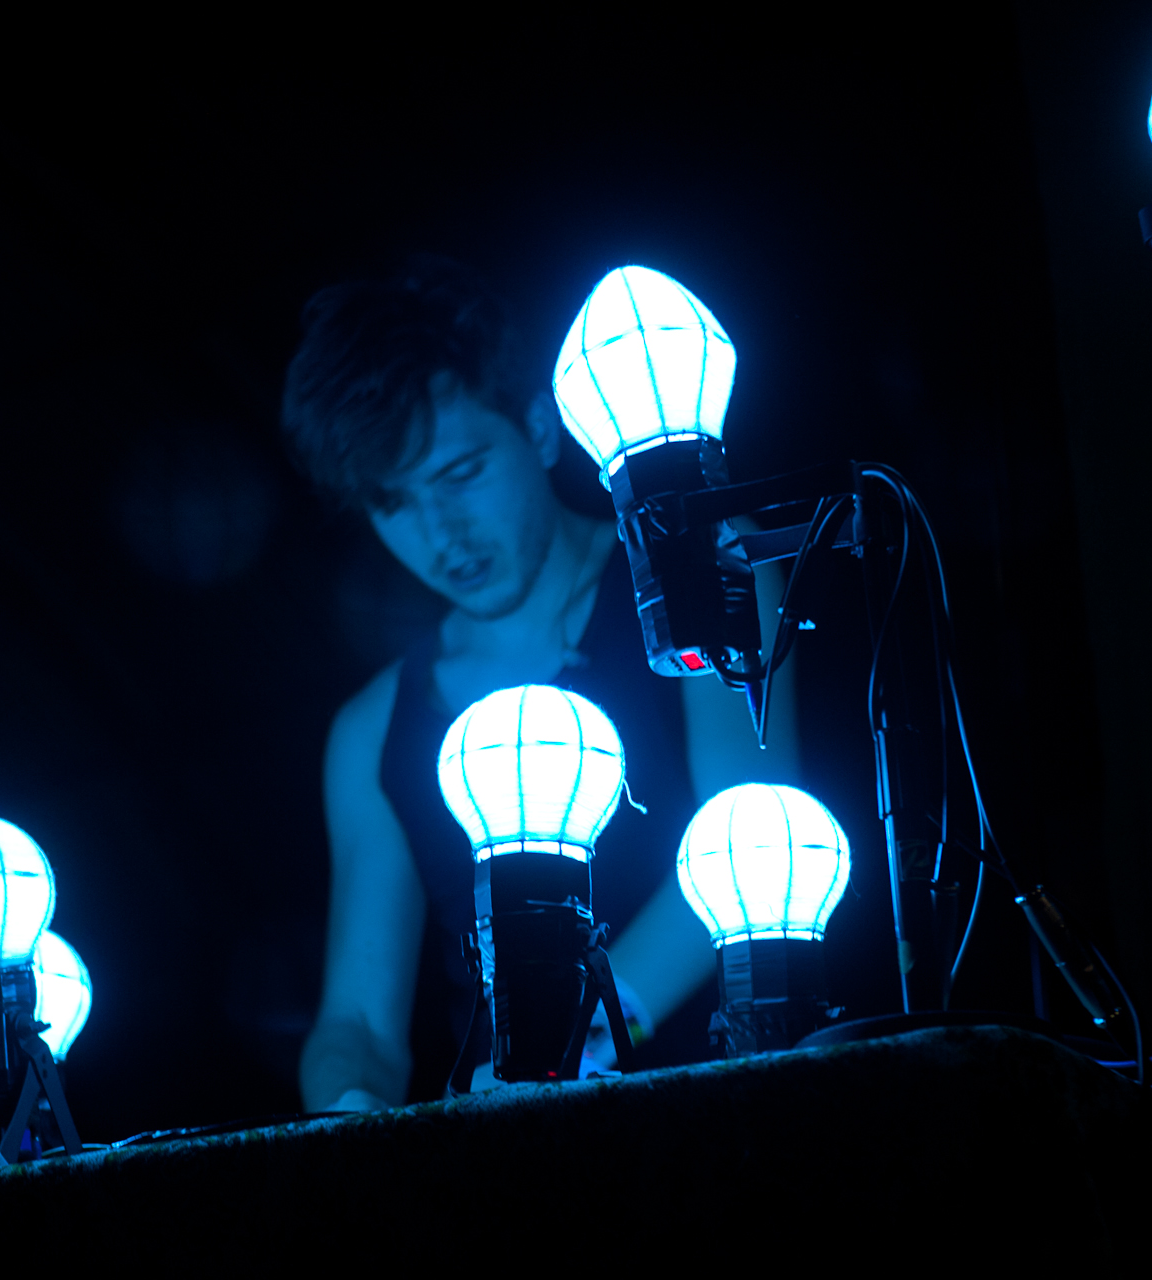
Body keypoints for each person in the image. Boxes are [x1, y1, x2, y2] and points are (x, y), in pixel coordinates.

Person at [282, 260, 800, 1112]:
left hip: (739, 1111)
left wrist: (583, 1042)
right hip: (518, 1168)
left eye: (461, 474)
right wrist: (350, 1115)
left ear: (537, 425)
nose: (440, 532)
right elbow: (361, 1025)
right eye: (392, 503)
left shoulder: (700, 573)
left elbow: (760, 838)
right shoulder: (373, 730)